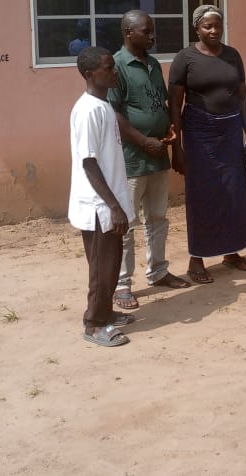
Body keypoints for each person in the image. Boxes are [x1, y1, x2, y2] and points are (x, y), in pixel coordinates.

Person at [108, 10, 191, 311]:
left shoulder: (153, 65)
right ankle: (122, 284)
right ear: (129, 33)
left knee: (157, 218)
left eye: (153, 31)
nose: (153, 36)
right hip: (132, 160)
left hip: (158, 158)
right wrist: (144, 141)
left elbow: (163, 104)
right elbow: (114, 114)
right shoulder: (117, 67)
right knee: (127, 224)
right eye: (147, 31)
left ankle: (157, 271)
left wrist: (169, 138)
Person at [168, 4, 246, 283]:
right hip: (199, 132)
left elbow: (242, 96)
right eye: (207, 26)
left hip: (230, 130)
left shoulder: (232, 55)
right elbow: (175, 104)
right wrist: (177, 146)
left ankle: (231, 252)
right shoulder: (185, 58)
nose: (213, 30)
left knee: (233, 191)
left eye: (217, 25)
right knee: (202, 195)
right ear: (197, 29)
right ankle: (197, 259)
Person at [68, 46, 136, 347]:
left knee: (111, 262)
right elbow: (89, 162)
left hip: (109, 202)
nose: (114, 71)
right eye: (108, 68)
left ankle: (106, 313)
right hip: (98, 206)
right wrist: (113, 206)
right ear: (89, 74)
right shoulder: (87, 111)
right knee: (101, 267)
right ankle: (94, 324)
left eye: (113, 67)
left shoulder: (103, 105)